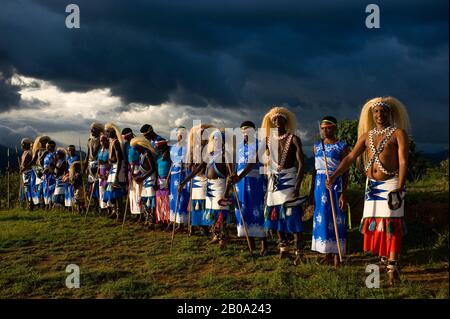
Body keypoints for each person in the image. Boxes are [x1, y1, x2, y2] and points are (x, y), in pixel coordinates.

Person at [326, 96, 410, 286]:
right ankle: (381, 263)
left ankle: (392, 268)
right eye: (376, 111)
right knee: (376, 225)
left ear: (390, 113)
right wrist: (335, 175)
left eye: (383, 111)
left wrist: (400, 188)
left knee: (392, 225)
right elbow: (349, 158)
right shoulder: (367, 136)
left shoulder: (398, 133)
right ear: (372, 115)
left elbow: (404, 162)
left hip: (392, 183)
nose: (379, 114)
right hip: (371, 187)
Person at [262, 106, 305, 260]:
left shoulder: (293, 138)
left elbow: (301, 163)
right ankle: (283, 249)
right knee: (275, 214)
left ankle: (299, 250)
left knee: (292, 215)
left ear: (286, 121)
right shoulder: (268, 140)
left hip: (289, 180)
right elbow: (256, 157)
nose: (277, 121)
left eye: (280, 118)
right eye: (274, 119)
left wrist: (297, 186)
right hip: (274, 181)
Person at [309, 116, 348, 268]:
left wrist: (344, 192)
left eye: (329, 127)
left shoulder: (342, 146)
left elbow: (345, 172)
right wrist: (312, 191)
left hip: (335, 183)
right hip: (320, 185)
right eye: (323, 128)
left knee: (336, 217)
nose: (326, 131)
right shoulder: (317, 146)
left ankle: (337, 255)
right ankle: (326, 253)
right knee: (323, 218)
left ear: (335, 128)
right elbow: (314, 170)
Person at [228, 121, 267, 256]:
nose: (245, 135)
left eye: (248, 132)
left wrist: (240, 175)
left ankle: (264, 244)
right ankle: (251, 245)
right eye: (243, 132)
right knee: (242, 210)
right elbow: (238, 165)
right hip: (240, 183)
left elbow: (253, 163)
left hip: (255, 182)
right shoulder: (239, 147)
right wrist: (233, 176)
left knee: (258, 210)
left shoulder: (260, 144)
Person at [179, 124, 214, 236]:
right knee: (195, 202)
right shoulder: (194, 149)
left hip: (204, 178)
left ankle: (205, 226)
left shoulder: (209, 149)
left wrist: (185, 180)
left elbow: (201, 166)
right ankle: (196, 225)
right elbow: (192, 166)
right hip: (195, 179)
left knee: (204, 203)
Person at [130, 136, 157, 228]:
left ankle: (152, 221)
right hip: (144, 179)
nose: (136, 151)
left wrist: (142, 177)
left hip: (150, 178)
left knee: (151, 199)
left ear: (141, 146)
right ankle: (147, 218)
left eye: (136, 149)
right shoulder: (141, 155)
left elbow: (152, 168)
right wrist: (137, 175)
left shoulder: (147, 153)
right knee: (145, 199)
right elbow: (143, 168)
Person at [103, 123, 127, 219]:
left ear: (114, 131)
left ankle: (119, 213)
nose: (107, 133)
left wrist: (117, 175)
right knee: (109, 190)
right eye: (106, 132)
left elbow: (119, 159)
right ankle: (114, 210)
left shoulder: (116, 142)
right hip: (113, 168)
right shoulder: (111, 142)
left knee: (116, 192)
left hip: (118, 168)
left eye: (109, 131)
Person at [169, 127, 190, 232]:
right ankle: (175, 220)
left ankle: (182, 223)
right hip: (174, 174)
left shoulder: (187, 147)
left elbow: (189, 162)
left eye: (182, 134)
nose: (180, 136)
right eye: (178, 134)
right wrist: (169, 176)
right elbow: (172, 162)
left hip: (183, 174)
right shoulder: (172, 147)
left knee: (182, 197)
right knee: (174, 197)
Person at [122, 128, 142, 222]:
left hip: (138, 169)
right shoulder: (126, 145)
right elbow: (126, 159)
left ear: (130, 134)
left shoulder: (137, 142)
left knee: (139, 191)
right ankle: (135, 213)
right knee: (132, 192)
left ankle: (141, 213)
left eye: (125, 136)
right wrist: (127, 173)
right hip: (130, 169)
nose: (124, 138)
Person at [85, 123, 103, 209]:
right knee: (91, 186)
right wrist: (85, 167)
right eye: (91, 129)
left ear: (99, 130)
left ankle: (101, 205)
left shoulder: (102, 140)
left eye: (93, 129)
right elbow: (88, 155)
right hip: (90, 164)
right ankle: (96, 205)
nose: (91, 131)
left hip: (99, 164)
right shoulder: (89, 141)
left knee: (98, 186)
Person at [155, 137, 172, 228]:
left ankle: (168, 220)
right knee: (160, 199)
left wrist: (169, 180)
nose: (158, 147)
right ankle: (161, 219)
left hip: (168, 179)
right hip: (159, 179)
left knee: (167, 200)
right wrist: (155, 181)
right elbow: (156, 168)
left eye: (159, 146)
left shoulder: (170, 154)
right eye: (157, 146)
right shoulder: (158, 155)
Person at [30, 135, 51, 208]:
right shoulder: (38, 151)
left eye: (45, 141)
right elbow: (33, 161)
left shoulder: (49, 152)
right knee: (39, 188)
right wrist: (27, 166)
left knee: (44, 187)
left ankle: (46, 203)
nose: (44, 143)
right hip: (38, 170)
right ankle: (40, 202)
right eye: (42, 141)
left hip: (45, 170)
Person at [19, 138, 34, 210]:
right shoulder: (24, 153)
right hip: (24, 172)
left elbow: (31, 163)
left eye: (22, 144)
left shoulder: (30, 152)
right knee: (25, 189)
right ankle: (27, 204)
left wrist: (24, 169)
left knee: (28, 188)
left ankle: (31, 204)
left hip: (28, 172)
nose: (21, 146)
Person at [97, 134, 111, 214]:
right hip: (101, 172)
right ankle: (103, 207)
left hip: (107, 171)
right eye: (101, 141)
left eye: (103, 140)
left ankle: (109, 207)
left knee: (107, 189)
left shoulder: (109, 150)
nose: (102, 142)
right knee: (101, 190)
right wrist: (98, 172)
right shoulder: (100, 151)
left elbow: (110, 162)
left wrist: (107, 174)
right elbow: (99, 163)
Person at [42, 140, 57, 210]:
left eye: (47, 146)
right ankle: (47, 205)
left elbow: (55, 164)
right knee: (46, 190)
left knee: (51, 190)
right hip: (45, 175)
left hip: (52, 175)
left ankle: (51, 205)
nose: (46, 147)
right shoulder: (46, 155)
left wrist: (49, 169)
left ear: (51, 146)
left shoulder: (55, 154)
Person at [64, 145, 79, 210]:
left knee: (73, 190)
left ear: (74, 150)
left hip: (74, 174)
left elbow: (78, 167)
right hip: (69, 174)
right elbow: (66, 167)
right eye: (68, 150)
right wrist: (65, 175)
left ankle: (74, 205)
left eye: (70, 150)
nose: (69, 151)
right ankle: (68, 205)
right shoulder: (68, 158)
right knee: (67, 189)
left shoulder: (77, 157)